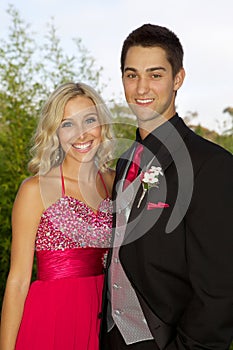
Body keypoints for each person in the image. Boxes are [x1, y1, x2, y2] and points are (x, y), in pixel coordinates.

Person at [101, 24, 233, 349]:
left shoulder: (211, 165)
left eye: (155, 75)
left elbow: (219, 292)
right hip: (108, 337)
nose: (141, 87)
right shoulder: (124, 163)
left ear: (178, 79)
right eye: (131, 75)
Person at [0, 82, 115, 349]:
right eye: (67, 124)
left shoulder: (112, 181)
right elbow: (17, 281)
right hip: (52, 319)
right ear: (55, 131)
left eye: (89, 120)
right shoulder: (34, 190)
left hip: (105, 317)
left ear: (102, 125)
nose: (81, 134)